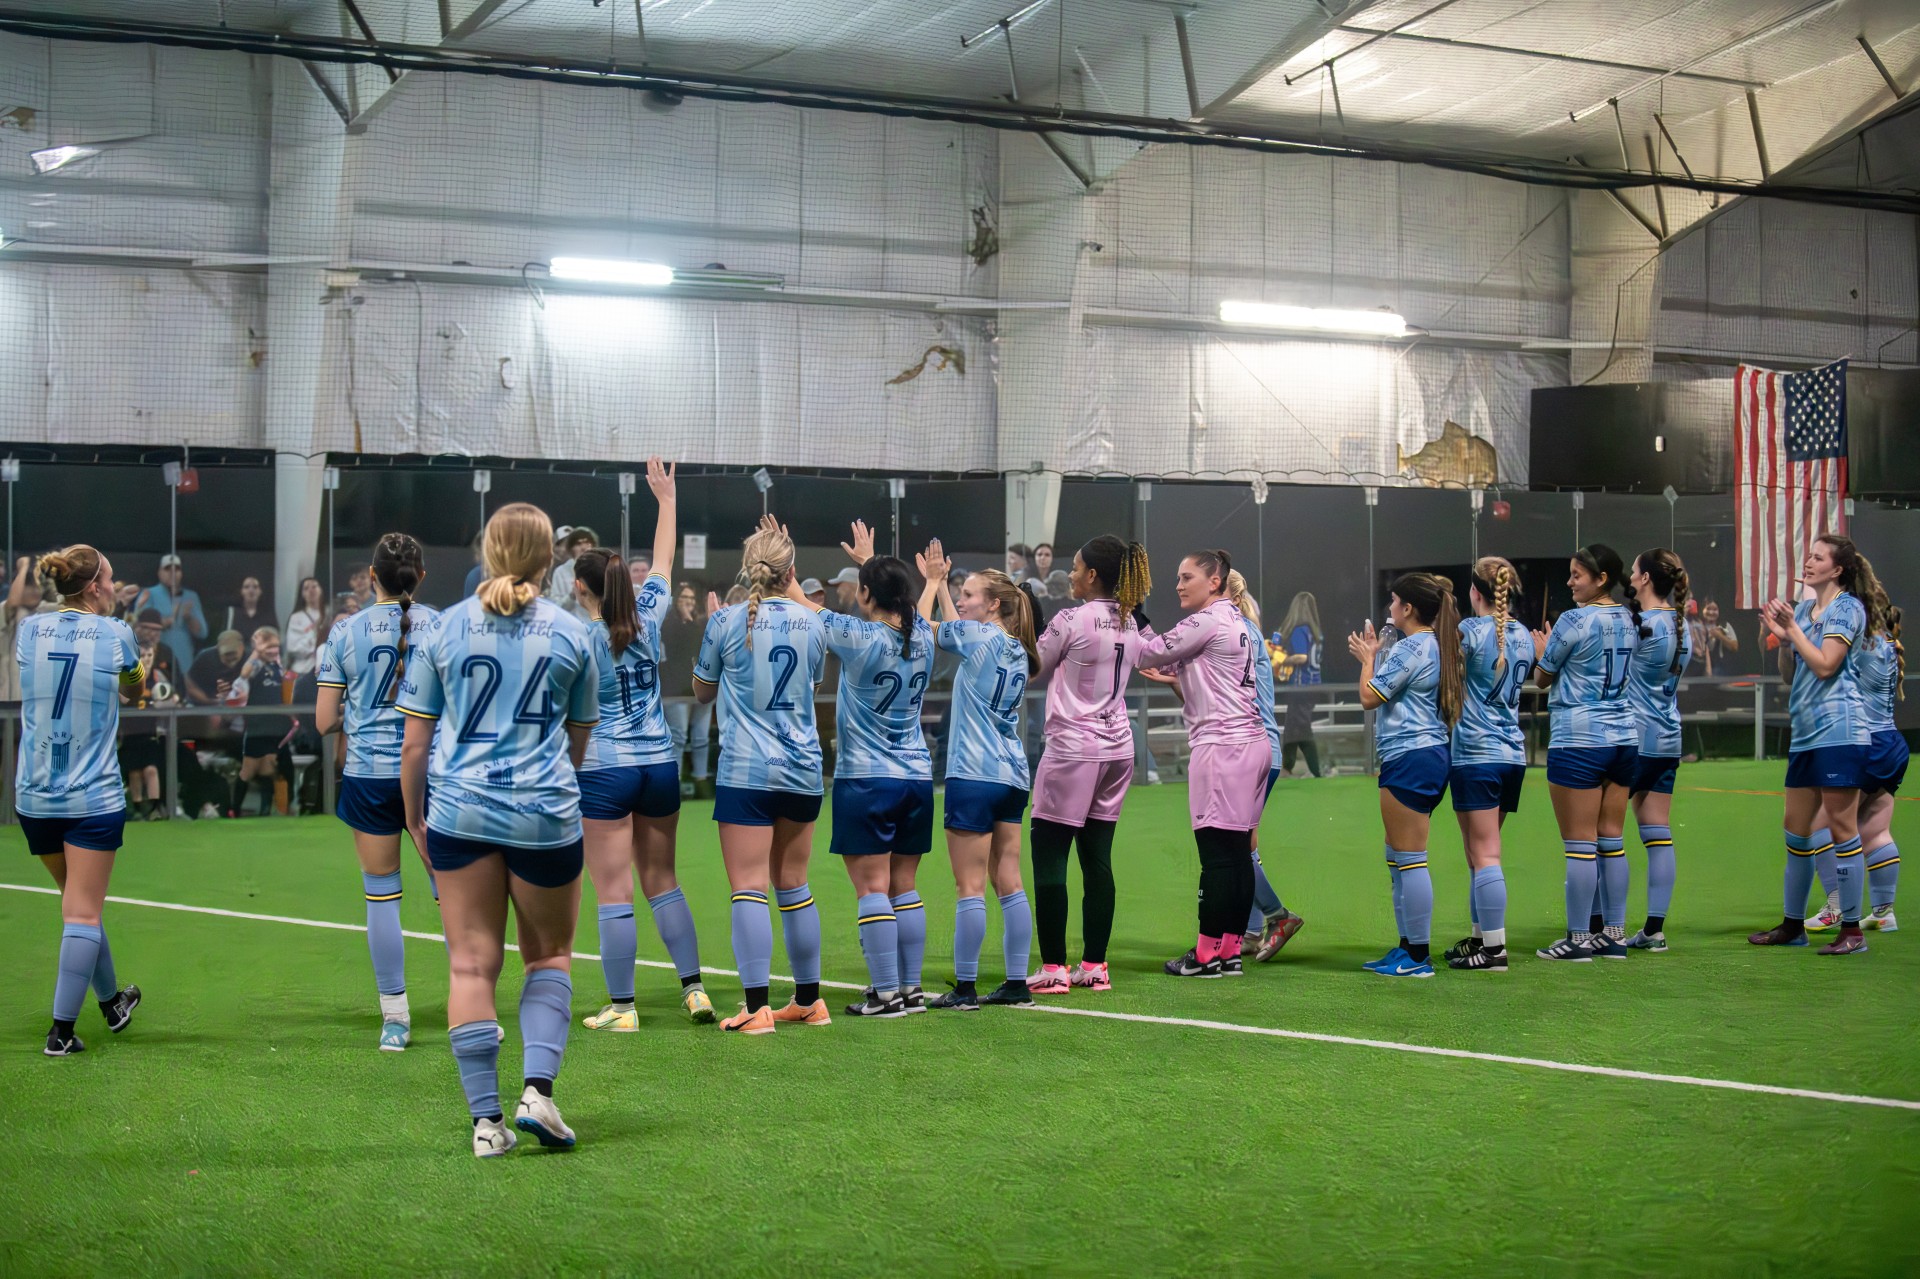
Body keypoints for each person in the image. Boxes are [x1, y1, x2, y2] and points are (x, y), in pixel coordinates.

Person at [399, 501, 599, 1157]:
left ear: (488, 552)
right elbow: (579, 739)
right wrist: (548, 788)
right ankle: (536, 1091)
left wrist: (416, 817)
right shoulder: (572, 634)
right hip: (545, 814)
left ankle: (487, 1124)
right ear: (551, 560)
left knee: (471, 963)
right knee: (548, 957)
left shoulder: (443, 629)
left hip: (460, 812)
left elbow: (414, 746)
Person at [572, 460, 717, 1031]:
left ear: (580, 587)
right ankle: (696, 991)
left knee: (614, 889)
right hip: (659, 762)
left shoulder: (579, 638)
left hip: (606, 769)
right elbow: (663, 559)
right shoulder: (649, 611)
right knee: (664, 880)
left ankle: (624, 1007)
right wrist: (667, 500)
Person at [783, 520, 936, 1018]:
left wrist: (782, 557)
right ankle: (910, 990)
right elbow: (907, 605)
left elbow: (804, 603)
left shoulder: (859, 636)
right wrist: (873, 562)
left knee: (871, 888)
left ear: (867, 594)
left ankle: (886, 992)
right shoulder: (926, 638)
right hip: (916, 777)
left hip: (867, 779)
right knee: (904, 886)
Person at [692, 516, 828, 1034]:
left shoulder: (726, 621)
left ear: (747, 570)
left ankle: (754, 1009)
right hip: (803, 770)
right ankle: (810, 1002)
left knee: (748, 887)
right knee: (794, 884)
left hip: (747, 771)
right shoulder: (813, 621)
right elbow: (809, 687)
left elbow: (703, 691)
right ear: (791, 571)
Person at [15, 544, 145, 1056]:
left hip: (35, 797)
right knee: (84, 914)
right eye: (110, 579)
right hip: (91, 798)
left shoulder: (28, 630)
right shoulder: (117, 634)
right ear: (94, 587)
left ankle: (113, 1002)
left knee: (77, 904)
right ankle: (61, 1033)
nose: (114, 587)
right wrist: (131, 681)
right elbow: (136, 691)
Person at [314, 533, 437, 1051]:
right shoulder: (442, 625)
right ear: (422, 576)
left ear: (371, 576)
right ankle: (473, 1009)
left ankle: (395, 1020)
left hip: (369, 778)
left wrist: (363, 709)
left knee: (382, 898)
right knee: (456, 896)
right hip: (434, 776)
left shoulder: (345, 631)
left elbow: (323, 723)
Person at [1136, 553, 1282, 979]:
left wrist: (1128, 616)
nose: (1179, 585)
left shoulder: (1204, 622)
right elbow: (1169, 660)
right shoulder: (1236, 622)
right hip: (1252, 743)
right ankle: (1231, 951)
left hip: (1222, 747)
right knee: (1236, 855)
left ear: (1214, 580)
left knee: (1217, 857)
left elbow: (1148, 653)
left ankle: (1203, 957)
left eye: (1187, 577)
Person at [914, 543, 1040, 1009]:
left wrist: (929, 584)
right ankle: (1016, 984)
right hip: (1011, 775)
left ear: (994, 605)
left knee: (969, 885)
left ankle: (964, 988)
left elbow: (921, 629)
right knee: (1009, 880)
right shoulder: (1018, 650)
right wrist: (944, 586)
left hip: (973, 773)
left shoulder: (980, 638)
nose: (963, 600)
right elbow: (957, 628)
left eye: (970, 594)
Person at [1027, 535, 1153, 994]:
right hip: (1118, 748)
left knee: (1050, 856)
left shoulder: (1071, 619)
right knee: (1098, 858)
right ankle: (1095, 966)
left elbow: (1031, 667)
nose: (1073, 574)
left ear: (1093, 575)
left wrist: (1021, 627)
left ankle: (1054, 968)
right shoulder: (1130, 623)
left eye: (1077, 567)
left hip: (1073, 749)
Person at [1748, 534, 1882, 956]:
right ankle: (1793, 926)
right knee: (1796, 831)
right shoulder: (1806, 609)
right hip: (1806, 734)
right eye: (1809, 554)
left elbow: (1825, 665)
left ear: (1837, 569)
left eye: (1818, 557)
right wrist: (1784, 639)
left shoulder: (1847, 608)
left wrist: (1792, 631)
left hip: (1840, 731)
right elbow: (1794, 673)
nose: (1808, 561)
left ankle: (1852, 931)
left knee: (1842, 829)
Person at [1348, 573, 1463, 978]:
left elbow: (1368, 696)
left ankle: (1417, 957)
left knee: (1411, 859)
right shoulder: (1434, 644)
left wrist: (1367, 659)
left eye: (1395, 601)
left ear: (1409, 609)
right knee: (1398, 857)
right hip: (1423, 754)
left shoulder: (1414, 646)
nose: (1390, 608)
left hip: (1412, 756)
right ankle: (1406, 948)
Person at [1531, 545, 1640, 962]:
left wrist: (1543, 652)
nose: (1570, 581)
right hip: (1623, 739)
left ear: (1600, 579)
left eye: (1577, 575)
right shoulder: (1629, 619)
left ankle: (1578, 939)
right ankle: (1614, 935)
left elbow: (1542, 678)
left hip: (1579, 740)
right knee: (1612, 842)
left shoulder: (1573, 620)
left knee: (1579, 845)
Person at [1442, 559, 1531, 973]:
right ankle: (1481, 937)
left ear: (1474, 592)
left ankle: (1494, 950)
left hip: (1476, 755)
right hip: (1512, 755)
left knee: (1485, 854)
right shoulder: (1525, 636)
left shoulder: (1470, 632)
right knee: (1479, 855)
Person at [1623, 550, 1693, 952]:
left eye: (1634, 571)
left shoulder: (1641, 626)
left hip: (1634, 740)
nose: (1630, 576)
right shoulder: (1684, 627)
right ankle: (1653, 929)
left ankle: (1600, 927)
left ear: (1646, 578)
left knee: (1602, 836)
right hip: (1668, 740)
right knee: (1657, 834)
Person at [1852, 598, 1905, 932]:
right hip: (1892, 744)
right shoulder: (1888, 642)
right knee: (1875, 830)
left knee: (1827, 826)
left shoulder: (1862, 643)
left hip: (1866, 744)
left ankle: (1837, 909)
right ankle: (1884, 912)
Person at [119, 608, 183, 822]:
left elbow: (176, 692)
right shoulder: (126, 663)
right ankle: (137, 807)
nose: (146, 659)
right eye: (142, 656)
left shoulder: (163, 664)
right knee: (135, 771)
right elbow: (121, 698)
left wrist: (170, 701)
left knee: (152, 769)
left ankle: (157, 807)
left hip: (154, 729)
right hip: (129, 728)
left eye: (149, 656)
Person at [660, 582, 712, 796]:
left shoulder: (699, 624)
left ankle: (701, 780)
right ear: (675, 600)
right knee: (678, 736)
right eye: (684, 598)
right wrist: (685, 619)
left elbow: (698, 645)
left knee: (701, 737)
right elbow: (676, 646)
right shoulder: (667, 624)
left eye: (691, 599)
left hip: (699, 685)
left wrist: (690, 621)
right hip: (675, 688)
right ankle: (676, 781)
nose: (688, 602)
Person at [232, 626, 290, 817]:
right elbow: (244, 673)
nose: (273, 650)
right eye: (268, 646)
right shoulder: (256, 664)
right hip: (257, 726)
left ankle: (265, 810)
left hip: (276, 726)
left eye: (276, 646)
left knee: (268, 766)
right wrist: (256, 653)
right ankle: (234, 809)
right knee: (248, 770)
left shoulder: (277, 666)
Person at [1277, 591, 1325, 777]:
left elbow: (1302, 657)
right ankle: (1286, 767)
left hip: (1300, 686)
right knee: (1292, 726)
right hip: (1314, 685)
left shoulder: (1300, 630)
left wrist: (1282, 660)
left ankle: (1316, 772)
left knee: (1301, 729)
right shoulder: (1317, 633)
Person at [136, 554, 207, 676]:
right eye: (167, 569)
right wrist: (171, 619)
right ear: (159, 572)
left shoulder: (191, 597)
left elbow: (202, 633)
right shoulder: (148, 594)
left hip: (184, 661)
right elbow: (141, 627)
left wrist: (188, 617)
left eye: (177, 569)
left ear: (181, 573)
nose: (172, 573)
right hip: (154, 658)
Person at [2, 554, 49, 700]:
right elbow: (13, 602)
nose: (36, 591)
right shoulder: (7, 609)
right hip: (9, 697)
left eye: (37, 587)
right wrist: (23, 569)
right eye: (30, 587)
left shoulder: (45, 610)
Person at [185, 629, 246, 707]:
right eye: (227, 654)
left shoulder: (251, 659)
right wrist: (208, 701)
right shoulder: (205, 658)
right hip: (206, 705)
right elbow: (190, 684)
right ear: (217, 648)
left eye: (233, 653)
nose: (230, 658)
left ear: (242, 647)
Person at [284, 576, 328, 678]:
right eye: (306, 588)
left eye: (314, 586)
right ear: (302, 594)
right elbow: (293, 647)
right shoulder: (296, 617)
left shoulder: (329, 613)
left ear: (321, 590)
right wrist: (314, 634)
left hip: (327, 668)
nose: (311, 590)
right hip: (303, 669)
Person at [1688, 598, 1739, 675]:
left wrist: (1720, 636)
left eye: (1715, 609)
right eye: (1708, 609)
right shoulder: (1697, 625)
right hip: (1699, 664)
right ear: (1702, 610)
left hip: (1719, 666)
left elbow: (1734, 647)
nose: (1711, 612)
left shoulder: (1724, 625)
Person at [224, 575, 276, 647]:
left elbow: (274, 639)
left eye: (255, 587)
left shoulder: (268, 614)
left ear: (260, 591)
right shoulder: (231, 613)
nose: (251, 590)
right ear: (241, 591)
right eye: (246, 587)